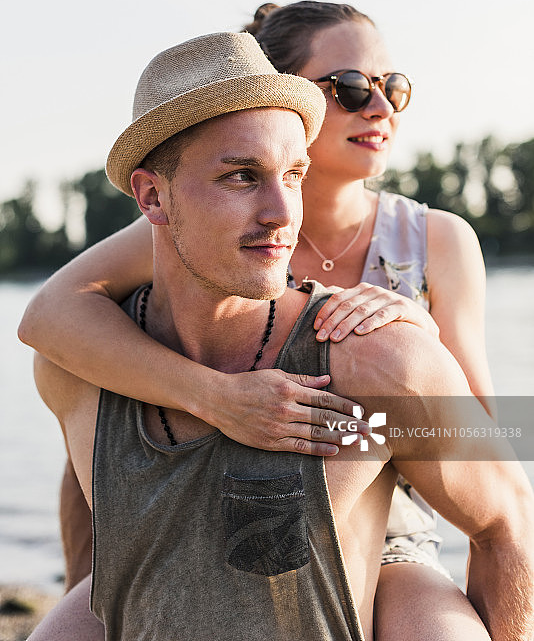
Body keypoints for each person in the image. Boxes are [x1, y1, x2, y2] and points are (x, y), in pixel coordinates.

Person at [25, 31, 534, 640]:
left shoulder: (383, 346)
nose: (283, 213)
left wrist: (414, 378)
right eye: (241, 177)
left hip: (394, 534)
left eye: (295, 175)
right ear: (152, 196)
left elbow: (506, 513)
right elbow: (52, 332)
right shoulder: (82, 361)